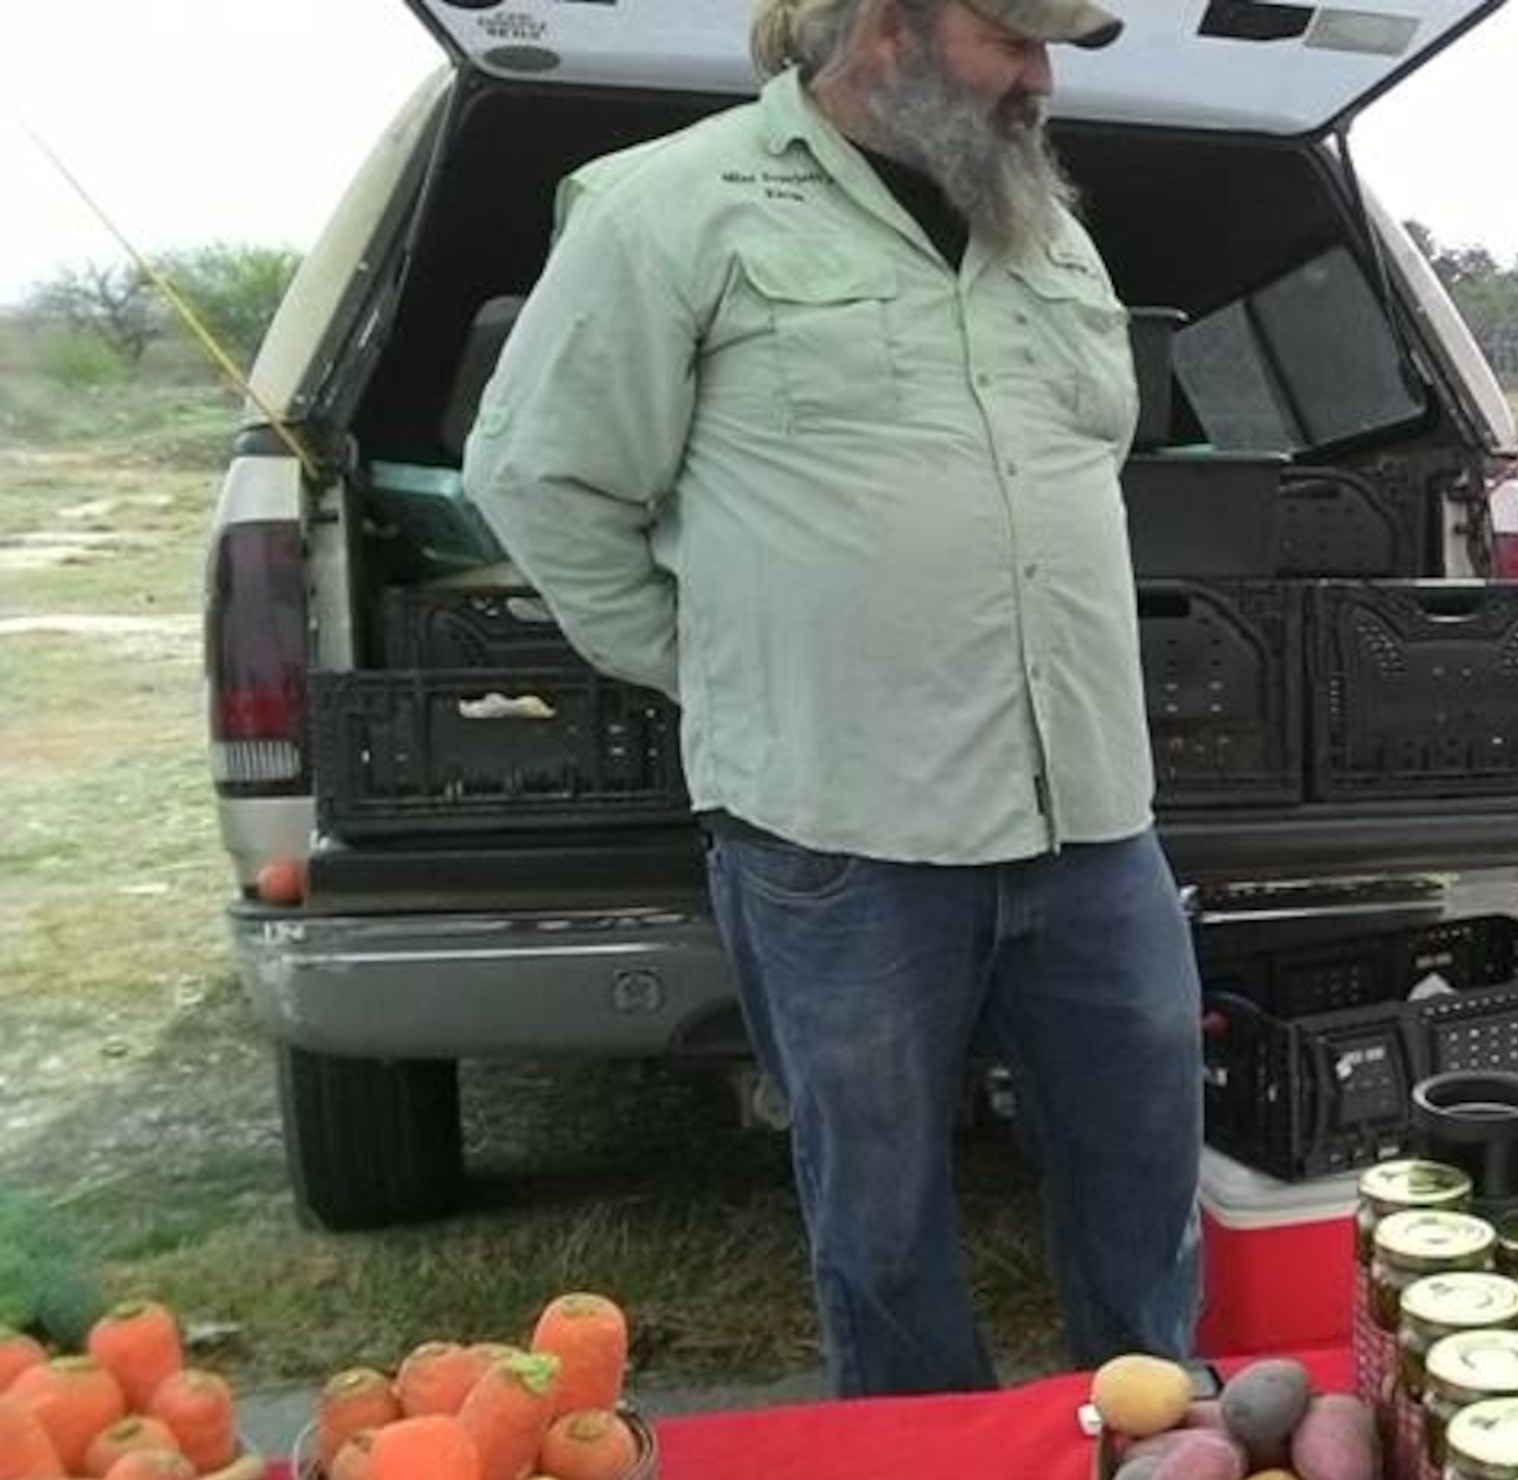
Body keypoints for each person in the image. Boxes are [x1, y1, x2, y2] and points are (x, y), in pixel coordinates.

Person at [463, 0, 1201, 1395]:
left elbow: (1082, 451)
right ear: (889, 29)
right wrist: (721, 663)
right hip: (840, 829)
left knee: (1143, 1157)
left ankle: (1156, 1460)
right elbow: (540, 476)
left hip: (1092, 807)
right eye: (1016, 40)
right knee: (879, 1207)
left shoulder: (1042, 224)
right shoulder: (673, 207)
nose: (1042, 79)